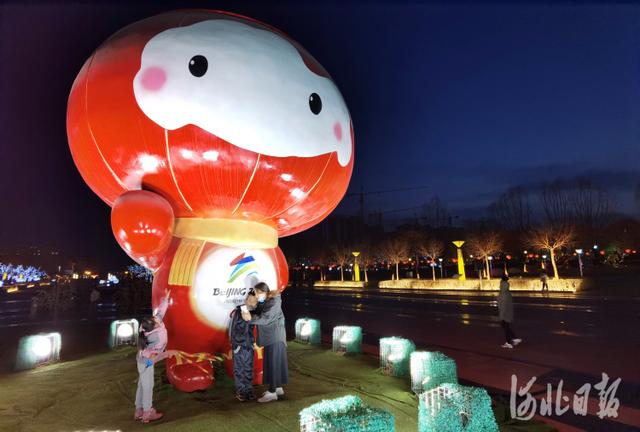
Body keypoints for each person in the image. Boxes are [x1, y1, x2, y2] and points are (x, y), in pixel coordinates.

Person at [242, 282, 288, 403]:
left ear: (264, 291)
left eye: (257, 293)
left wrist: (249, 319)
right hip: (271, 336)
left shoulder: (274, 301)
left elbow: (265, 318)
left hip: (275, 336)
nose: (257, 296)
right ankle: (277, 388)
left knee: (273, 363)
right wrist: (249, 309)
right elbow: (259, 311)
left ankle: (272, 392)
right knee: (274, 362)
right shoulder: (267, 300)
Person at [134, 289, 174, 423]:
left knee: (141, 385)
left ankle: (138, 410)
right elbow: (154, 358)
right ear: (152, 327)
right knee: (147, 386)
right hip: (146, 363)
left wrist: (166, 299)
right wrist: (168, 354)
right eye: (155, 321)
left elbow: (160, 312)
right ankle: (147, 413)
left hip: (142, 360)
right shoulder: (156, 338)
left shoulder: (148, 328)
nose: (157, 320)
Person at [229, 290, 260, 401]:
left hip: (249, 346)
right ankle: (241, 391)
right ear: (246, 300)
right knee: (239, 369)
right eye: (250, 300)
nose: (251, 302)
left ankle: (248, 390)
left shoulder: (254, 313)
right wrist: (234, 344)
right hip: (239, 345)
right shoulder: (239, 311)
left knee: (248, 368)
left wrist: (252, 343)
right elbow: (232, 329)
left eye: (254, 301)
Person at [497, 275, 522, 349]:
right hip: (508, 313)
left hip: (505, 314)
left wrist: (501, 316)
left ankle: (509, 342)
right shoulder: (507, 292)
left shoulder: (503, 293)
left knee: (506, 328)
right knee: (506, 327)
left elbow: (503, 306)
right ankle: (514, 339)